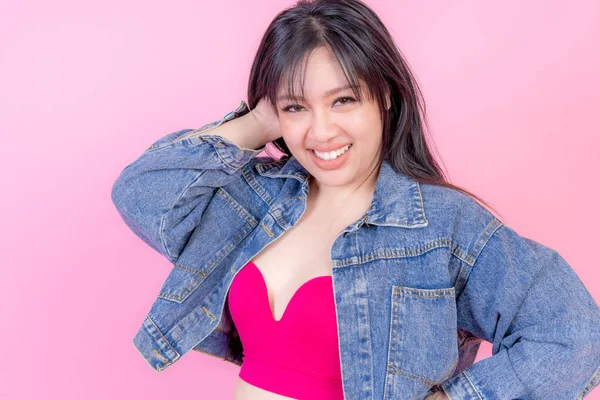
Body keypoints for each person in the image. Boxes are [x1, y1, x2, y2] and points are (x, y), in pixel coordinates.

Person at [111, 0, 600, 399]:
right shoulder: (255, 199)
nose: (321, 132)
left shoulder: (442, 226)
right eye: (297, 106)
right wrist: (259, 121)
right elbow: (140, 193)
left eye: (343, 100)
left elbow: (576, 334)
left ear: (384, 95)